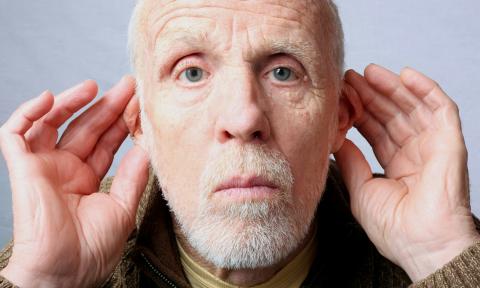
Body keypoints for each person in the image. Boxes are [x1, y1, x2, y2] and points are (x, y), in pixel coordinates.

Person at [1, 0, 479, 287]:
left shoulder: (435, 258)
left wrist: (443, 258)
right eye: (192, 72)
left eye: (283, 71)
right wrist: (43, 282)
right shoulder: (50, 263)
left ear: (339, 116)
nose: (244, 117)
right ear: (140, 121)